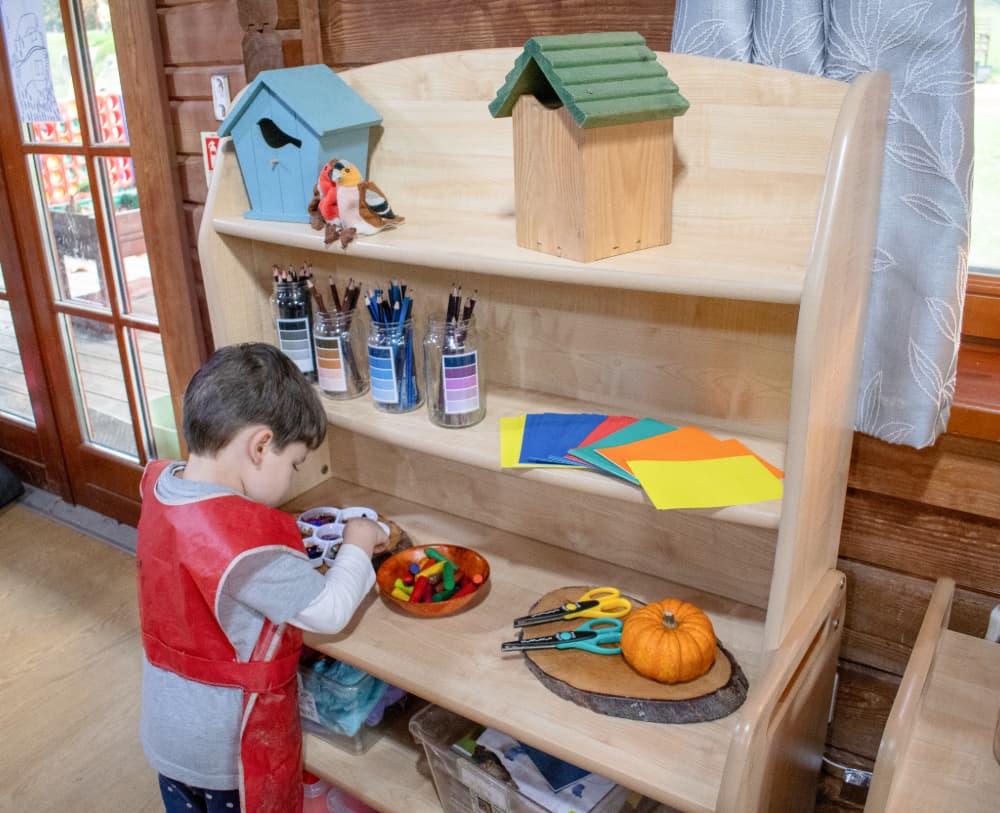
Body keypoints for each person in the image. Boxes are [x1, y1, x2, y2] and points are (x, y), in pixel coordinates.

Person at [136, 342, 387, 813]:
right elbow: (329, 613)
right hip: (226, 752)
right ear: (260, 446)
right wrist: (357, 540)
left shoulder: (162, 489)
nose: (293, 479)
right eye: (293, 464)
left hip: (166, 733)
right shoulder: (244, 546)